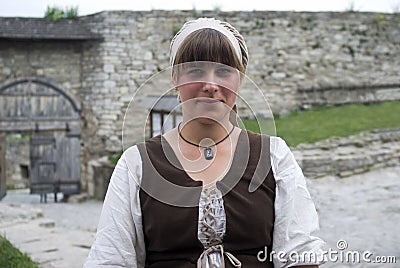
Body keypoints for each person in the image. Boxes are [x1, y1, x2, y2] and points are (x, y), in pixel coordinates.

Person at [84, 18, 325, 268]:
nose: (211, 85)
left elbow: (300, 255)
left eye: (223, 71)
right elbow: (111, 259)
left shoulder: (273, 155)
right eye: (196, 70)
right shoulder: (137, 164)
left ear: (239, 79)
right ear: (175, 78)